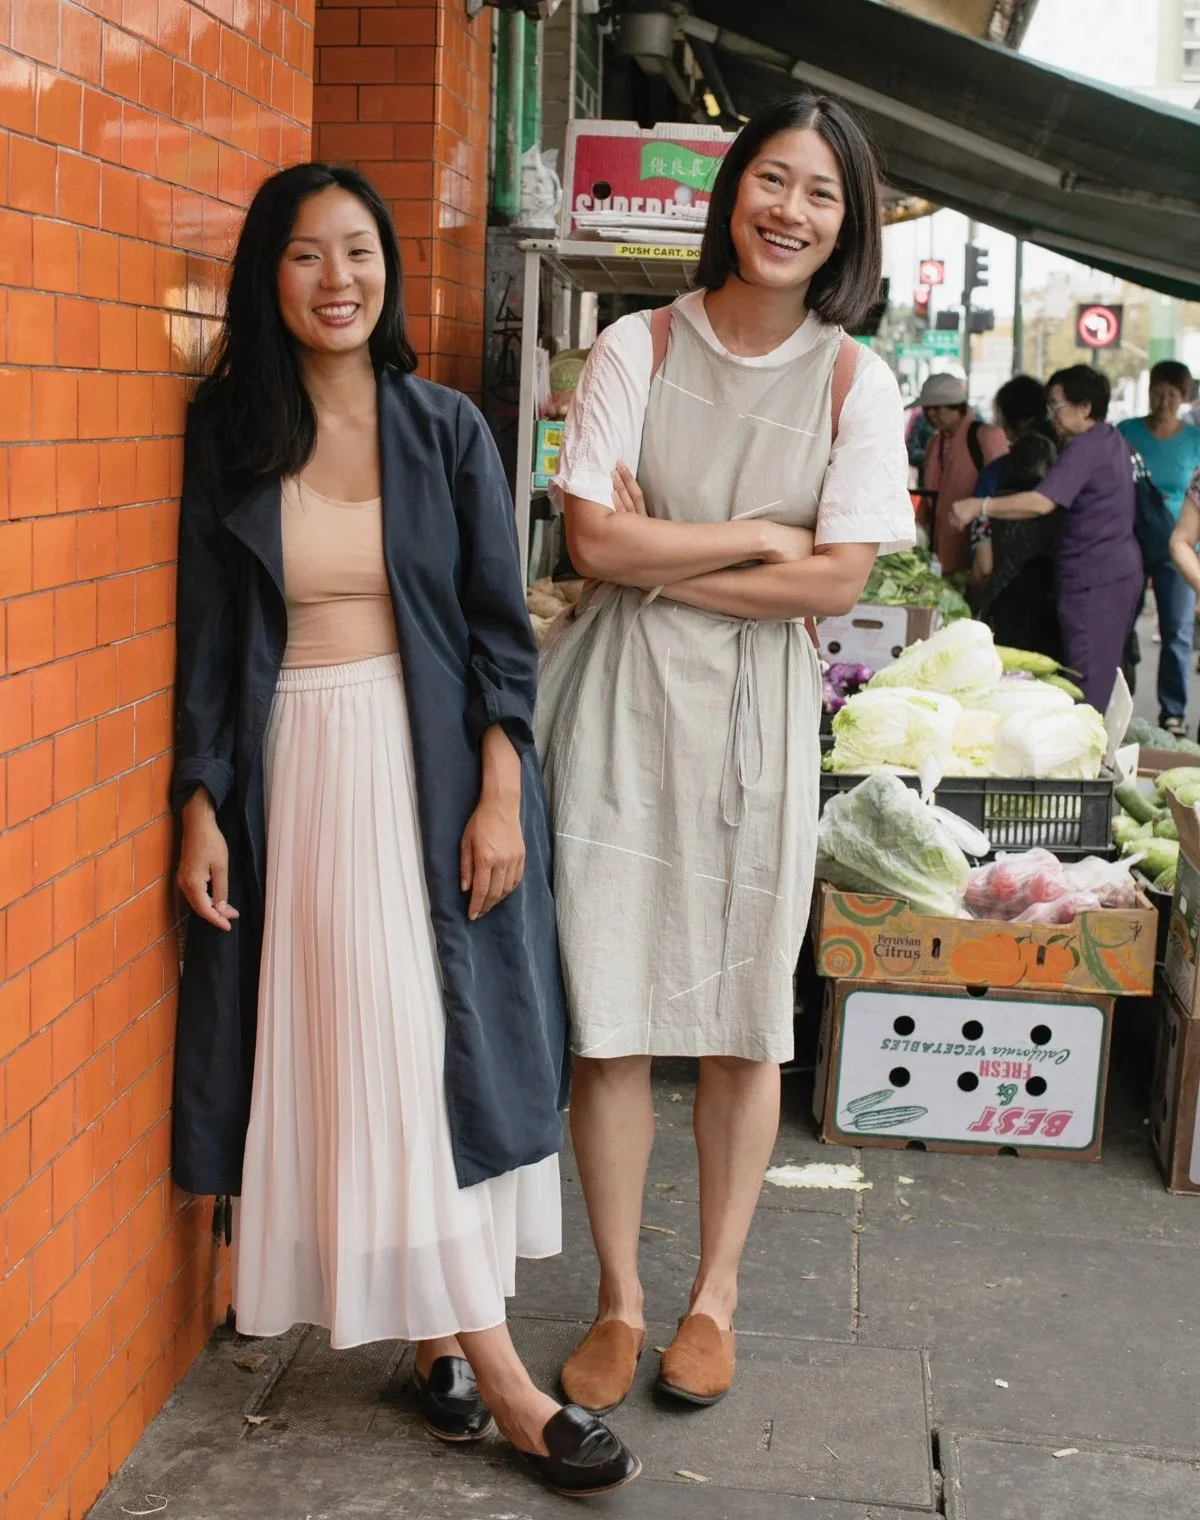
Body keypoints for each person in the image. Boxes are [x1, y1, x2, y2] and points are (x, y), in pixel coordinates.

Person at [171, 162, 639, 1498]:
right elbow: (210, 640)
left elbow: (504, 632)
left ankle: (458, 1348)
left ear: (388, 273)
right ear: (272, 276)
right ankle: (495, 1374)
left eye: (360, 252)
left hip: (431, 763)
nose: (339, 279)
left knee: (437, 1042)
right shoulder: (231, 437)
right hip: (297, 778)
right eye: (310, 255)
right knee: (377, 1045)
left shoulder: (444, 431)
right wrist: (203, 799)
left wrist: (502, 788)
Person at [535, 94, 914, 1416]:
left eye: (820, 193)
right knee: (616, 1012)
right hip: (623, 704)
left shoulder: (857, 380)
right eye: (772, 179)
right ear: (731, 189)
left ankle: (714, 1295)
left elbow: (843, 578)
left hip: (757, 716)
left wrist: (677, 550)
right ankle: (619, 1300)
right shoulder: (634, 347)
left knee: (748, 1021)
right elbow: (592, 547)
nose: (789, 211)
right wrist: (758, 539)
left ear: (847, 223)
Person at [952, 365, 1142, 712]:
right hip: (1112, 573)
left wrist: (980, 505)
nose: (1050, 414)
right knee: (1098, 669)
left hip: (1095, 579)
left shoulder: (1085, 447)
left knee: (1088, 679)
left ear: (1084, 407)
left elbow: (1042, 502)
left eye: (1056, 405)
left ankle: (1091, 754)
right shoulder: (1110, 439)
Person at [1117, 362, 1200, 736]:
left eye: (1173, 394)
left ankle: (1173, 711)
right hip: (1129, 541)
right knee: (1119, 623)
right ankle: (1116, 699)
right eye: (1158, 390)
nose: (1164, 400)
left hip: (1178, 547)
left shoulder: (1195, 440)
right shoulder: (1126, 432)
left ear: (1184, 398)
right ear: (1148, 389)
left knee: (1177, 631)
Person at [972, 374, 1061, 659]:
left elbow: (983, 561)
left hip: (1009, 594)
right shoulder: (1068, 465)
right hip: (1060, 589)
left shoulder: (995, 476)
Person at [916, 372, 1007, 573]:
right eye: (926, 408)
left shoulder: (986, 437)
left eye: (936, 408)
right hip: (939, 551)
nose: (929, 414)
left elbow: (1004, 492)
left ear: (956, 407)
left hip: (978, 552)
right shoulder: (933, 443)